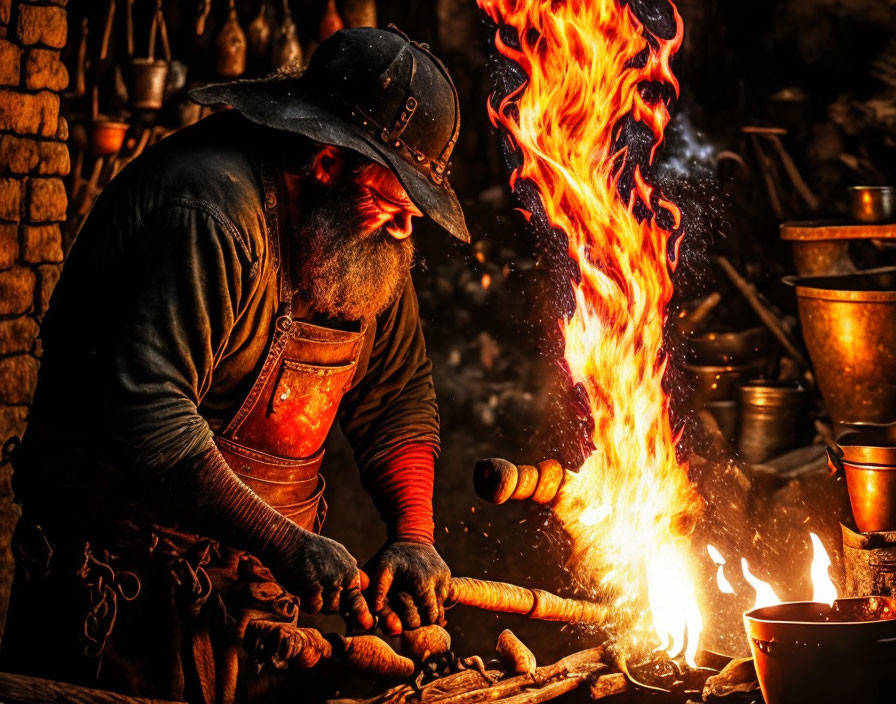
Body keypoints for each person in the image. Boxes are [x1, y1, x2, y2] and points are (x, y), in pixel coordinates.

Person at [0, 26, 469, 703]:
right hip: (117, 588)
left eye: (412, 210)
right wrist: (284, 544)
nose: (405, 228)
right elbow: (152, 417)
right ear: (327, 163)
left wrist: (415, 536)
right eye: (392, 201)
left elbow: (396, 395)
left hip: (252, 596)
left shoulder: (365, 240)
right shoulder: (211, 212)